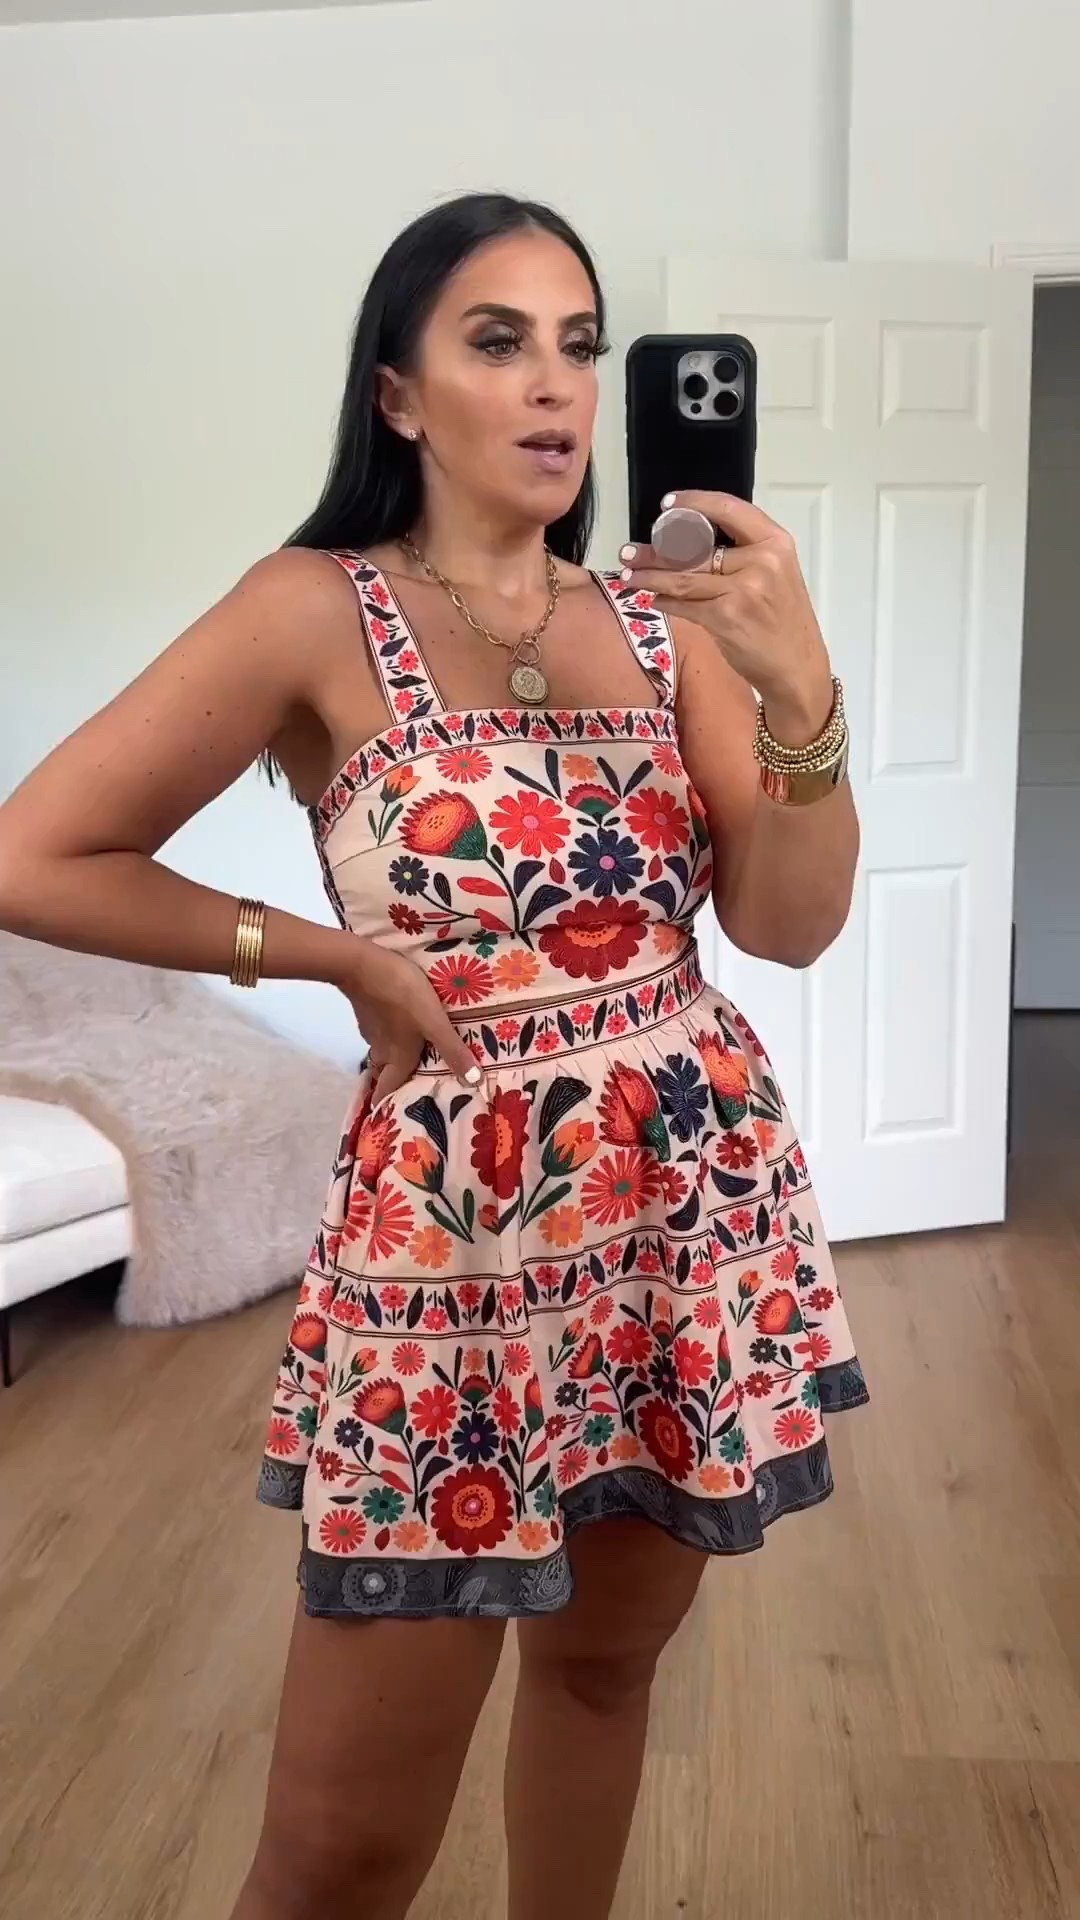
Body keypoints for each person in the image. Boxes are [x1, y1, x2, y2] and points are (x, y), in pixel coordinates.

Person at [0, 192, 867, 1920]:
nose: (555, 385)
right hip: (452, 1247)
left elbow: (787, 923)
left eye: (580, 345)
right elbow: (35, 854)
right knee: (343, 1844)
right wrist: (324, 955)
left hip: (680, 1210)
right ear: (398, 394)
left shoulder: (669, 622)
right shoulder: (313, 609)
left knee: (605, 1676)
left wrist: (800, 692)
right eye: (497, 341)